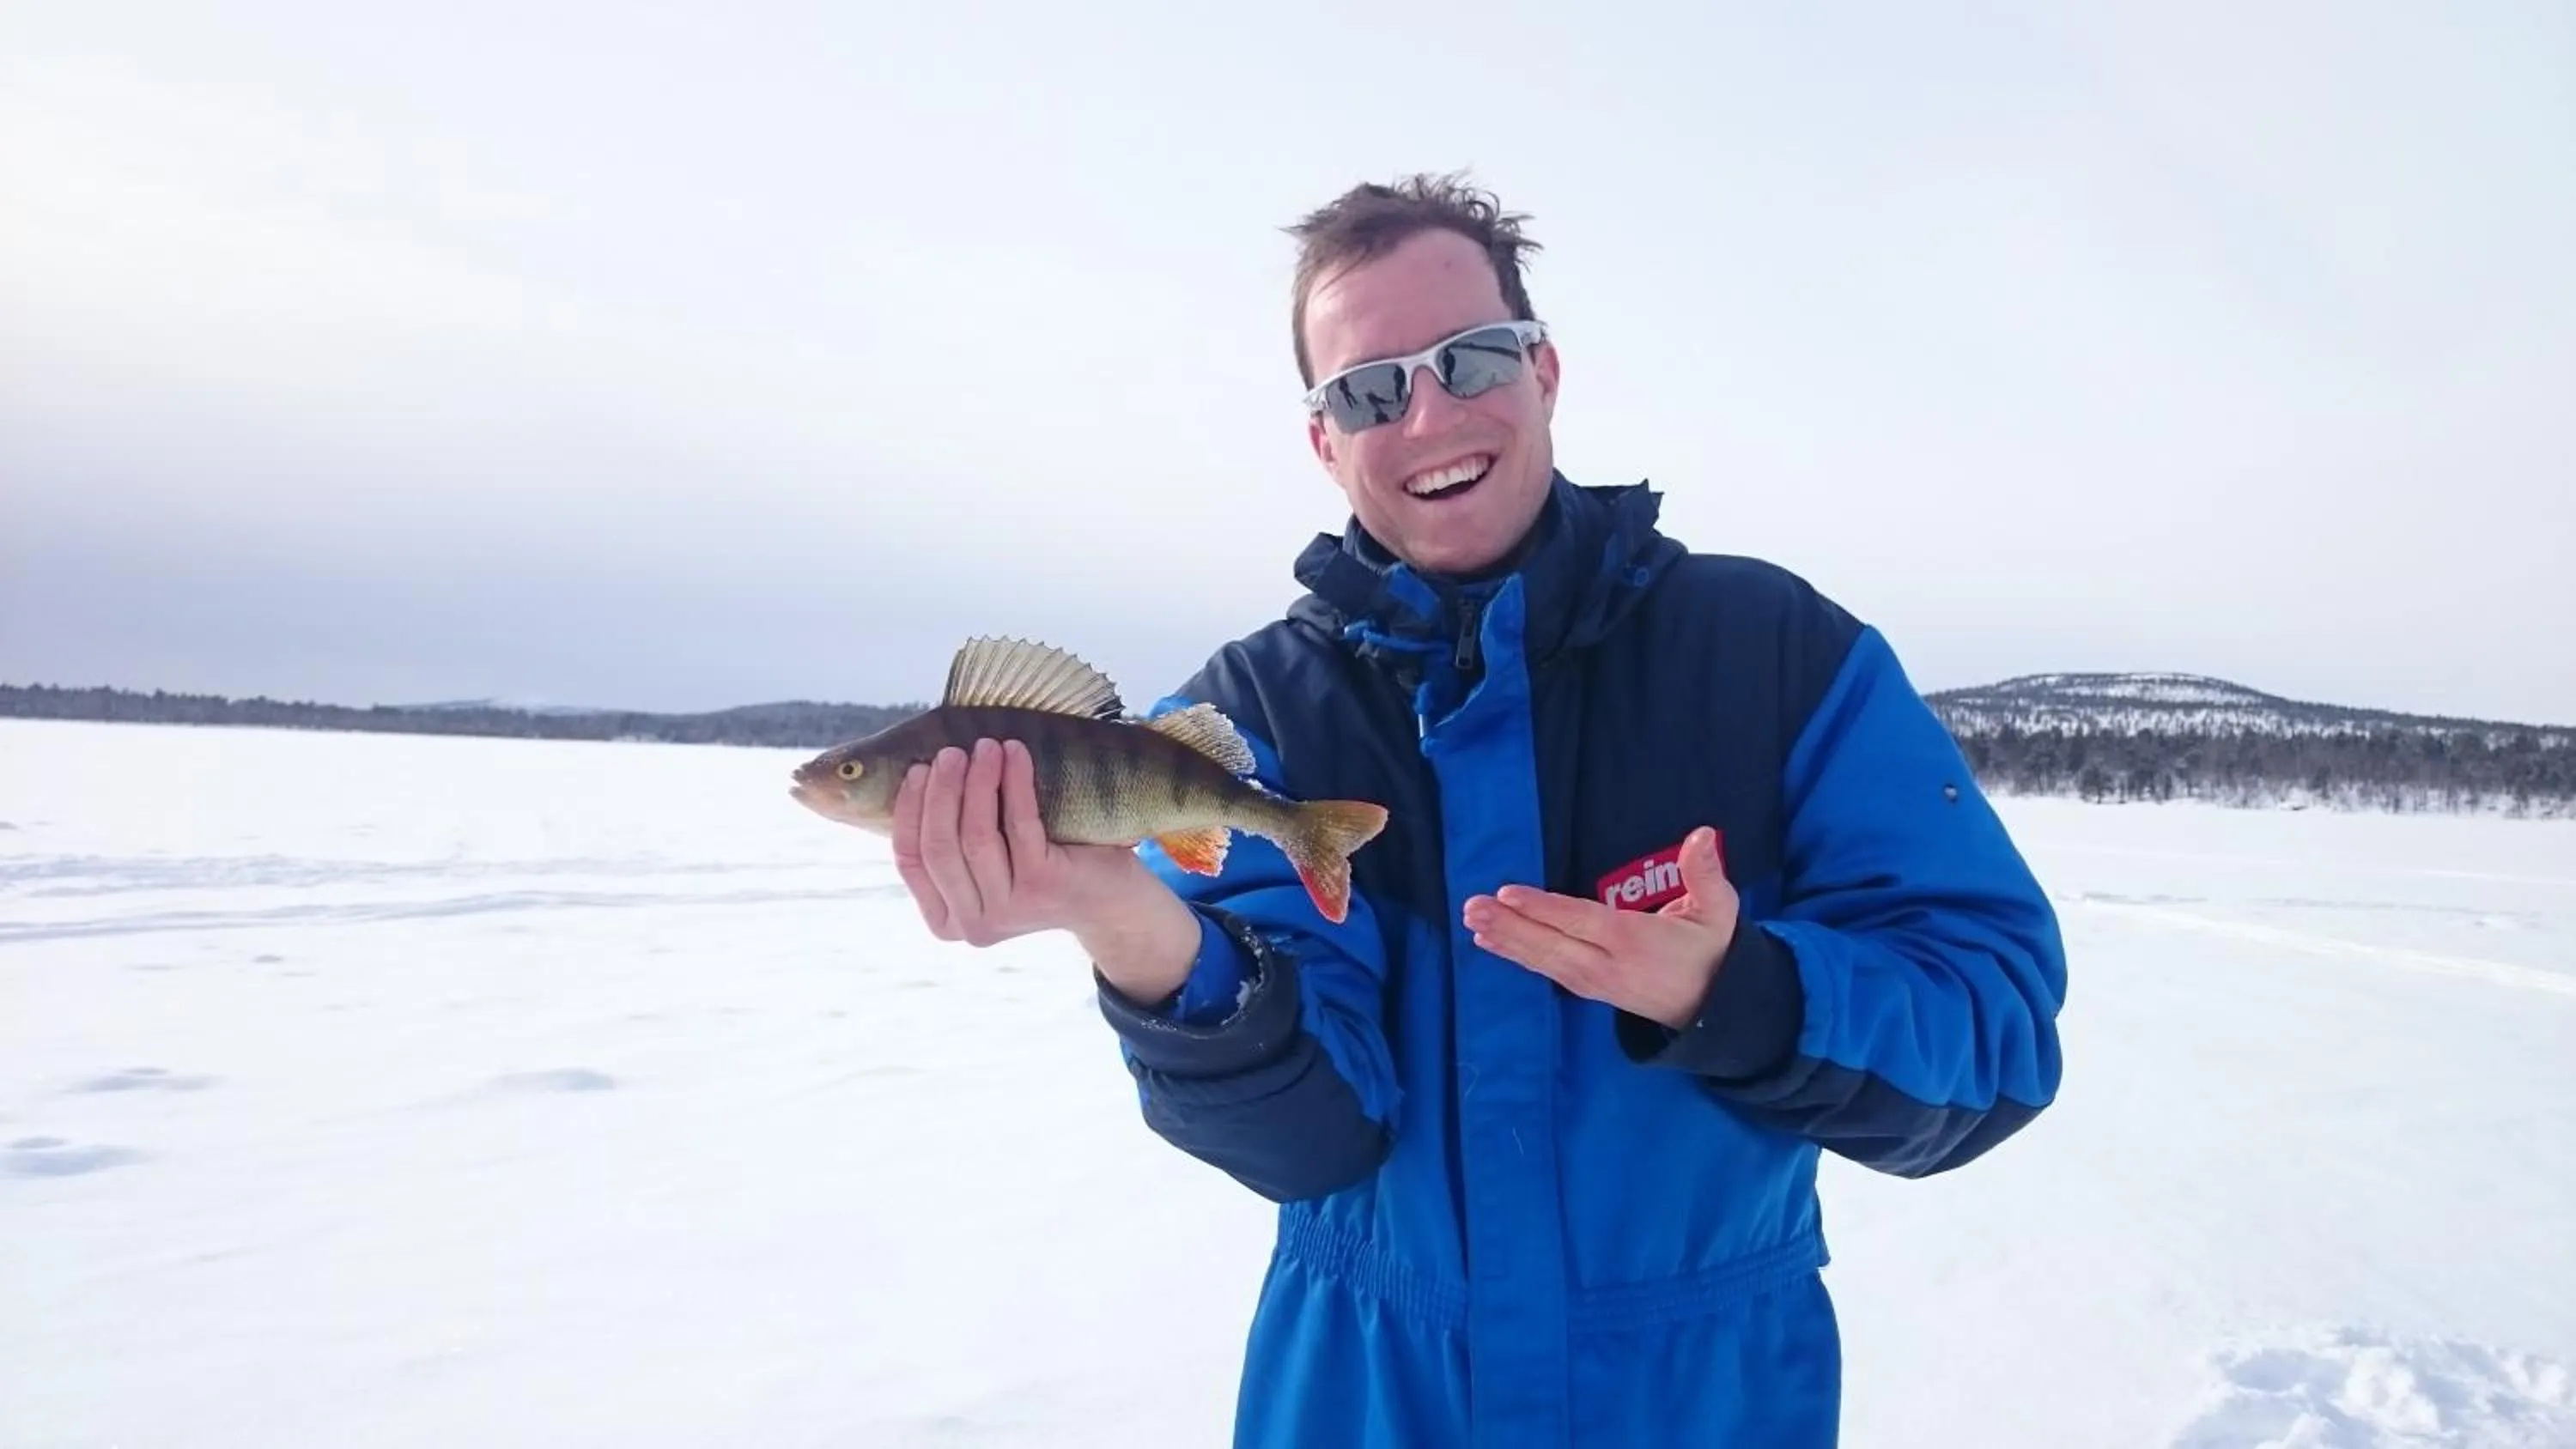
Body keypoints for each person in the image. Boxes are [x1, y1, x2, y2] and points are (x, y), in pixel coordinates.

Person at [886, 173, 2069, 1448]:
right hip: (1364, 1399)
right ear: (1324, 441)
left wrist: (1743, 993)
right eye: (1368, 390)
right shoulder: (1251, 718)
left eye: (1472, 359)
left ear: (1544, 372)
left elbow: (1991, 1035)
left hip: (1709, 1401)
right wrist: (1135, 931)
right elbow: (1311, 1143)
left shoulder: (1776, 655)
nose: (1428, 414)